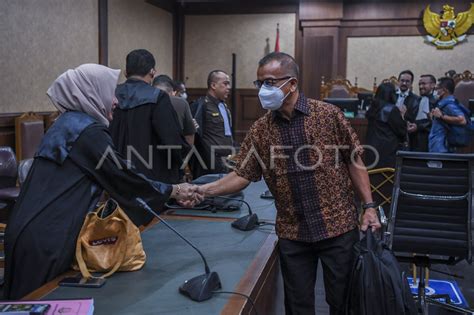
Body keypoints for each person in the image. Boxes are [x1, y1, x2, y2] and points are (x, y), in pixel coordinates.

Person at [199, 52, 381, 315]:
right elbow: (242, 174)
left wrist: (370, 206)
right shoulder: (260, 129)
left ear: (292, 84)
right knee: (297, 307)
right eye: (260, 83)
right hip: (293, 233)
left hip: (337, 227)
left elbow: (354, 160)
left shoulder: (327, 115)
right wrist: (203, 191)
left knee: (343, 303)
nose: (263, 90)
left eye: (270, 82)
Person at [3, 64, 202, 300]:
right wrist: (174, 190)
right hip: (47, 239)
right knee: (42, 301)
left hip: (28, 230)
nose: (116, 102)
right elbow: (122, 177)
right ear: (92, 92)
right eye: (110, 93)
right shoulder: (88, 131)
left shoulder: (66, 123)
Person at [110, 49, 188, 185]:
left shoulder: (111, 94)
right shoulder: (158, 97)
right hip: (152, 178)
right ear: (153, 72)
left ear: (125, 72)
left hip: (115, 174)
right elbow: (172, 141)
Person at [190, 70, 233, 178]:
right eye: (225, 83)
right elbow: (194, 135)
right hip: (209, 162)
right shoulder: (202, 105)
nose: (229, 87)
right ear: (213, 85)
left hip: (225, 160)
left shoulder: (223, 106)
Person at [365, 83, 408, 168]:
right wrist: (402, 116)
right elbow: (401, 131)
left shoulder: (372, 108)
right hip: (388, 151)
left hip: (371, 149)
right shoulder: (392, 109)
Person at [153, 75, 196, 146]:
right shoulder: (181, 103)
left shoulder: (146, 101)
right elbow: (189, 133)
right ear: (172, 91)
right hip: (176, 151)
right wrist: (187, 154)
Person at [428, 77, 467, 153]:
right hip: (436, 146)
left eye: (436, 89)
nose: (434, 91)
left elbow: (462, 120)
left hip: (442, 148)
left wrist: (441, 116)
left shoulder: (449, 104)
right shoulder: (442, 103)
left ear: (444, 90)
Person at [407, 74, 436, 151]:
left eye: (424, 84)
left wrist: (418, 127)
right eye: (419, 84)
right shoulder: (415, 99)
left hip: (428, 140)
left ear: (432, 85)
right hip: (412, 138)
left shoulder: (437, 102)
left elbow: (435, 122)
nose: (421, 87)